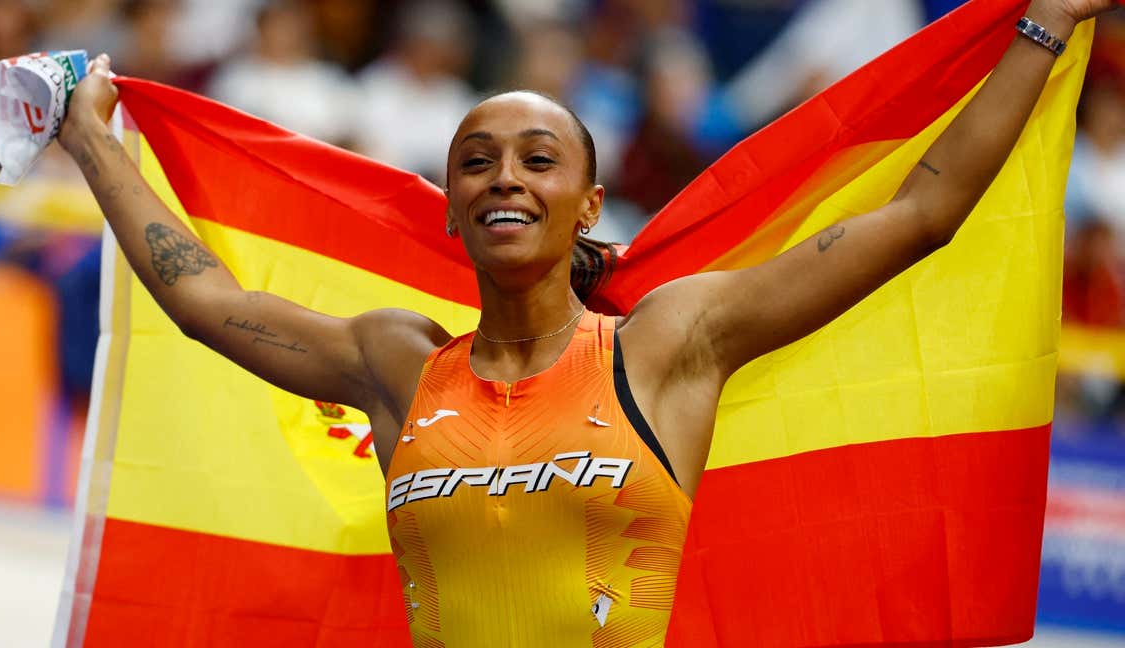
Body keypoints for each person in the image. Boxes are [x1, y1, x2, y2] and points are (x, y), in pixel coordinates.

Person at [58, 1, 1118, 644]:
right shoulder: (397, 367)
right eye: (476, 161)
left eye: (537, 159)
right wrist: (96, 143)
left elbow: (922, 215)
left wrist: (1045, 23)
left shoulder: (669, 345)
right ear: (451, 205)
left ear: (589, 204)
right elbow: (207, 303)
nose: (504, 178)